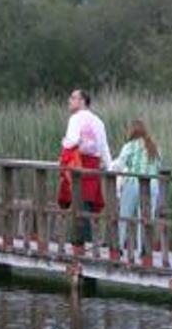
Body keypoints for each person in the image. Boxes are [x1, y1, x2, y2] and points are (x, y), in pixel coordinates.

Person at [58, 89, 112, 246]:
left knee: (77, 203)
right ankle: (87, 242)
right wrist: (109, 167)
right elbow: (104, 148)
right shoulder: (98, 121)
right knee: (87, 202)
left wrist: (64, 143)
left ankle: (79, 243)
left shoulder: (75, 119)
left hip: (78, 165)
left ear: (82, 101)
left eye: (73, 98)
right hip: (93, 166)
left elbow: (73, 140)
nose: (70, 100)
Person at [110, 119, 162, 256]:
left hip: (134, 182)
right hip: (153, 184)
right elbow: (159, 166)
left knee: (124, 216)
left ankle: (118, 246)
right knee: (145, 219)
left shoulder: (130, 146)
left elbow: (119, 165)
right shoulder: (154, 146)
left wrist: (111, 167)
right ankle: (144, 250)